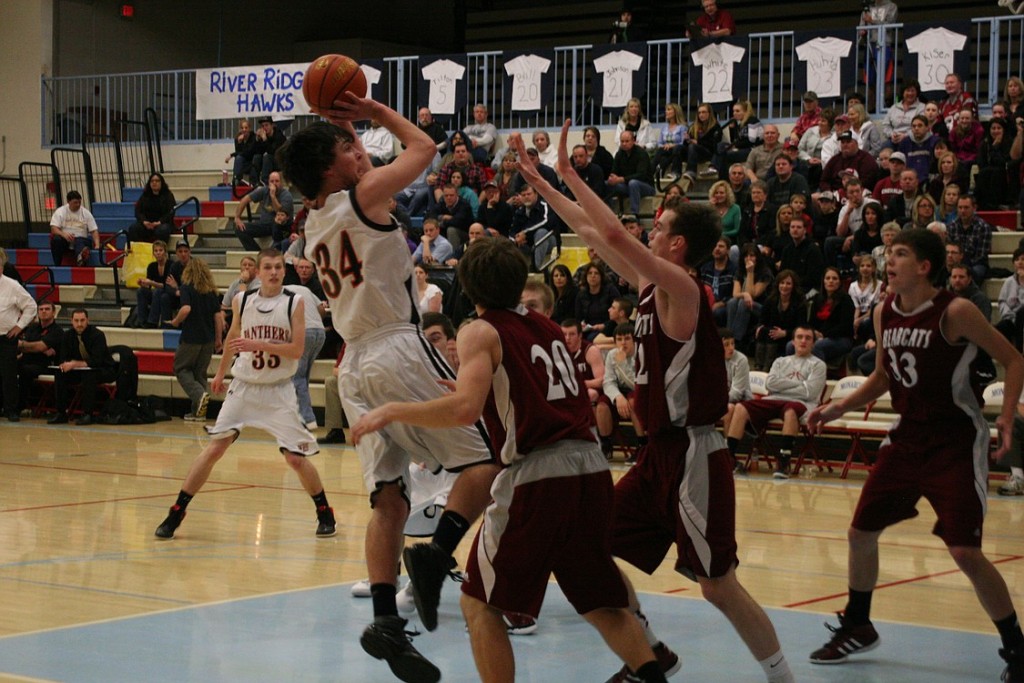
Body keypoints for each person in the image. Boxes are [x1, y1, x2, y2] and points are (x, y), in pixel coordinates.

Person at [513, 122, 795, 683]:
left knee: (717, 585)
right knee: (587, 545)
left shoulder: (684, 290)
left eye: (659, 226)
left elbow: (614, 236)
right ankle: (650, 650)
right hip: (655, 456)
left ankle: (782, 678)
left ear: (677, 243)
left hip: (695, 452)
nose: (649, 231)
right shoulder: (647, 286)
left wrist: (569, 171)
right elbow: (593, 232)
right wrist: (543, 183)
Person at [351, 236, 668, 683]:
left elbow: (463, 411)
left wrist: (393, 410)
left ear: (467, 287)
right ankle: (651, 674)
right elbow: (528, 391)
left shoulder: (480, 330)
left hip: (540, 476)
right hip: (591, 469)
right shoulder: (545, 325)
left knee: (479, 604)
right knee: (599, 601)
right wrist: (478, 393)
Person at [278, 95, 500, 682]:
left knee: (389, 500)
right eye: (349, 149)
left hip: (352, 366)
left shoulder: (315, 215)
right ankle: (433, 557)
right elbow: (424, 149)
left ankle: (385, 621)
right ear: (333, 168)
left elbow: (354, 167)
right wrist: (373, 106)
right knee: (484, 462)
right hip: (396, 346)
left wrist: (343, 125)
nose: (360, 153)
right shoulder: (361, 196)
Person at [805, 229, 1024, 681]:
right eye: (890, 253)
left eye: (901, 254)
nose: (890, 260)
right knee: (860, 532)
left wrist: (1005, 418)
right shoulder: (885, 311)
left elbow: (1014, 359)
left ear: (924, 267)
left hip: (954, 442)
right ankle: (859, 622)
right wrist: (839, 406)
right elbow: (884, 376)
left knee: (964, 551)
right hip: (906, 439)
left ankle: (1017, 648)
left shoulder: (955, 312)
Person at [153, 249, 335, 540]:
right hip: (244, 387)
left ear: (282, 271)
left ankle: (324, 511)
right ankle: (177, 511)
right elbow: (232, 341)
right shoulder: (242, 299)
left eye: (278, 267)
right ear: (258, 272)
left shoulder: (294, 302)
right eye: (268, 267)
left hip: (278, 390)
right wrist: (221, 373)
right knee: (214, 448)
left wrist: (258, 344)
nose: (274, 272)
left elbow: (297, 350)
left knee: (295, 459)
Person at [729, 324, 826, 477]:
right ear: (793, 341)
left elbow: (810, 392)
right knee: (741, 407)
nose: (803, 341)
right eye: (799, 337)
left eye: (808, 338)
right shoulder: (781, 361)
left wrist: (783, 385)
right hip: (774, 399)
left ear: (813, 343)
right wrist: (800, 384)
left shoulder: (818, 365)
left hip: (801, 404)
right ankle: (729, 458)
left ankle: (784, 461)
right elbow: (770, 383)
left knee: (790, 411)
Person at [167, 258, 223, 421]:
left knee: (181, 368)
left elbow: (186, 309)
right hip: (208, 339)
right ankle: (198, 412)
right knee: (199, 373)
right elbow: (218, 317)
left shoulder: (186, 288)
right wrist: (218, 339)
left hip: (191, 337)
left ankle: (199, 396)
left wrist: (175, 321)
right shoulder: (211, 291)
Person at [47, 308, 117, 426]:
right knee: (60, 373)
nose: (79, 324)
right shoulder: (67, 335)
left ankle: (87, 414)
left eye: (82, 320)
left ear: (87, 320)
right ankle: (61, 413)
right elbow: (63, 358)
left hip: (103, 369)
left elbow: (97, 361)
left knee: (89, 375)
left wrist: (74, 364)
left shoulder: (97, 335)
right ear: (72, 321)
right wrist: (65, 365)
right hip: (80, 371)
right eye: (76, 321)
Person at [0, 250, 36, 422]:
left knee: (8, 374)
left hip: (6, 337)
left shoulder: (12, 285)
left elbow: (31, 306)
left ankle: (11, 409)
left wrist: (19, 326)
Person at [15, 300, 63, 415]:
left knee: (25, 370)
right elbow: (33, 348)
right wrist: (31, 347)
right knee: (5, 366)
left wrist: (23, 345)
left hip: (46, 366)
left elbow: (39, 347)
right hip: (27, 361)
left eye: (47, 309)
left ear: (53, 312)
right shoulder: (32, 328)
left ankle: (20, 406)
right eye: (41, 309)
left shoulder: (57, 331)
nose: (44, 312)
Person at [755, 270, 806, 371]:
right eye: (782, 283)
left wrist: (784, 333)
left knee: (771, 333)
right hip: (772, 335)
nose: (784, 286)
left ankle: (768, 367)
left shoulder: (800, 303)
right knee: (764, 331)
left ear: (793, 286)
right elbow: (762, 320)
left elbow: (801, 327)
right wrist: (759, 327)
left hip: (789, 336)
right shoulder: (770, 300)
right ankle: (758, 366)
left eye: (788, 283)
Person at [233, 172, 294, 251]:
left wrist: (273, 196)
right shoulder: (264, 190)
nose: (274, 183)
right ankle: (257, 253)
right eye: (272, 181)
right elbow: (245, 199)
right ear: (268, 183)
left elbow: (279, 212)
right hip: (264, 225)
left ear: (281, 183)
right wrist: (237, 217)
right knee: (239, 228)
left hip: (280, 226)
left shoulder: (286, 195)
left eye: (277, 181)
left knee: (276, 226)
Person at [607, 131, 656, 215]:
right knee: (607, 184)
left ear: (633, 141)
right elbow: (614, 171)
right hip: (626, 185)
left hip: (646, 186)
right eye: (622, 141)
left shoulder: (641, 153)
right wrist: (612, 178)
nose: (624, 144)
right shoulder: (619, 154)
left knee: (633, 183)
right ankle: (609, 214)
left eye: (627, 141)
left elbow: (641, 175)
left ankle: (634, 215)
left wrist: (622, 179)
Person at [947, 194, 994, 283]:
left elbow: (981, 255)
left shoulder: (983, 227)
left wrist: (963, 268)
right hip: (955, 263)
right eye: (960, 208)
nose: (962, 211)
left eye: (966, 208)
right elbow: (949, 249)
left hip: (976, 264)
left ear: (974, 208)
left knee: (975, 273)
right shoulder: (952, 226)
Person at [49, 190, 99, 267]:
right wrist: (63, 234)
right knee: (56, 240)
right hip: (66, 241)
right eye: (75, 202)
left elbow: (94, 230)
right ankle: (57, 265)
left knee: (79, 241)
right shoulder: (60, 211)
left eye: (79, 202)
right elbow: (53, 228)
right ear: (68, 201)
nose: (78, 204)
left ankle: (81, 257)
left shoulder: (86, 213)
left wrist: (97, 245)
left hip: (81, 240)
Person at [720, 327, 753, 437]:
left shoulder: (741, 360)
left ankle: (728, 449)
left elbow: (737, 393)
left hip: (741, 402)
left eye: (733, 343)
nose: (731, 348)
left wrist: (716, 403)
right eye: (726, 344)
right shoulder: (710, 359)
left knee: (729, 408)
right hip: (719, 402)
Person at [127, 173, 176, 244]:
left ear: (162, 183)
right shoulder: (145, 196)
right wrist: (144, 221)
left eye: (157, 181)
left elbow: (170, 213)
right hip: (147, 225)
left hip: (163, 224)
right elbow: (138, 211)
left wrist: (159, 222)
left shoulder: (168, 196)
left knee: (162, 230)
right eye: (152, 181)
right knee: (133, 228)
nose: (154, 183)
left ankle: (159, 252)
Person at [683, 103, 722, 180]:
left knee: (693, 146)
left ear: (709, 113)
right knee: (678, 148)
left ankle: (691, 171)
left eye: (704, 112)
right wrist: (687, 140)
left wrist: (698, 142)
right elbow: (687, 144)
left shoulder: (715, 126)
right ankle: (675, 172)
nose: (701, 115)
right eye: (699, 113)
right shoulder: (693, 126)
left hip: (708, 153)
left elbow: (714, 144)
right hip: (693, 152)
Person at [652, 103, 688, 181]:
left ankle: (675, 172)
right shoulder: (664, 128)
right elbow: (659, 143)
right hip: (666, 151)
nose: (666, 112)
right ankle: (652, 172)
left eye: (669, 110)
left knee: (675, 150)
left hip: (678, 151)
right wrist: (664, 145)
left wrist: (673, 145)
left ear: (676, 112)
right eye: (666, 110)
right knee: (662, 155)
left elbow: (684, 143)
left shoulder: (682, 127)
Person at [253, 116, 287, 185]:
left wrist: (265, 139)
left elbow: (273, 152)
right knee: (257, 157)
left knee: (267, 157)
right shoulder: (264, 135)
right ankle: (255, 182)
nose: (265, 128)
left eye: (266, 125)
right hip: (269, 162)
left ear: (272, 125)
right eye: (263, 126)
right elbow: (257, 151)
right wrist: (257, 139)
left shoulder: (279, 136)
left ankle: (264, 181)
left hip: (280, 162)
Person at [225, 118, 257, 184]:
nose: (244, 130)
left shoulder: (253, 137)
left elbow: (248, 153)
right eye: (242, 128)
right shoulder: (238, 138)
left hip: (251, 161)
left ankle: (236, 180)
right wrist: (239, 143)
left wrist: (232, 155)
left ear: (249, 129)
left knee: (239, 158)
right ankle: (236, 180)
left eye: (246, 128)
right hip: (242, 162)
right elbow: (239, 152)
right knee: (238, 158)